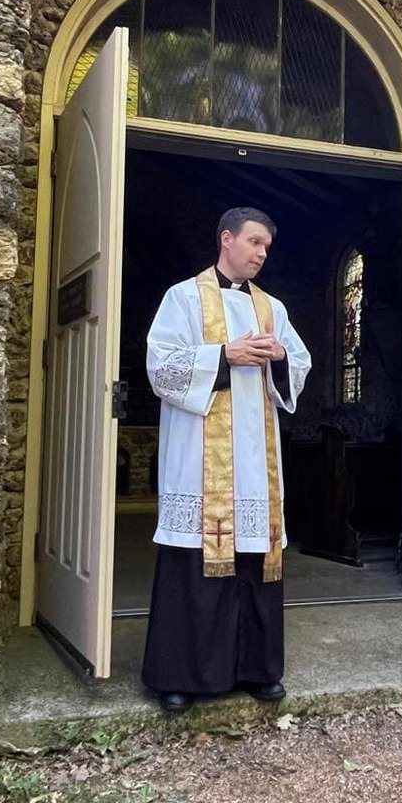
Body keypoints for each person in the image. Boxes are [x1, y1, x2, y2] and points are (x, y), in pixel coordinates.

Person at [141, 207, 311, 714]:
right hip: (199, 460)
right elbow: (159, 366)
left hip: (257, 466)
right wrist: (221, 356)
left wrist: (280, 356)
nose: (262, 254)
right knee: (193, 564)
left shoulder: (272, 307)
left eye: (267, 248)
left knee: (255, 562)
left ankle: (256, 669)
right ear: (227, 238)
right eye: (255, 242)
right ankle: (180, 675)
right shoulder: (182, 298)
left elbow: (298, 364)